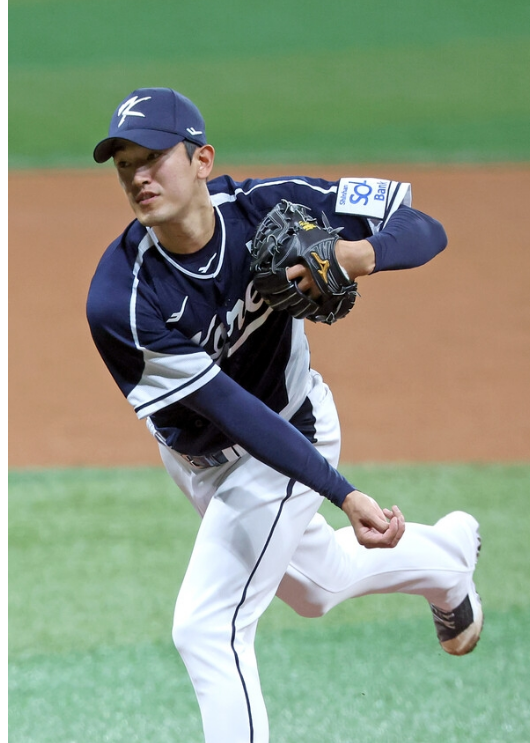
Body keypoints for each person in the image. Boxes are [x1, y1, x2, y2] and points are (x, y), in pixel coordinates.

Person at [87, 87, 483, 743]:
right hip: (209, 453)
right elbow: (227, 407)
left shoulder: (268, 208)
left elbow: (422, 225)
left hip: (295, 430)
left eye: (153, 157)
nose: (138, 177)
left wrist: (355, 255)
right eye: (125, 164)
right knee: (318, 587)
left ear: (202, 159)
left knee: (208, 627)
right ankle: (448, 560)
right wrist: (343, 493)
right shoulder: (121, 298)